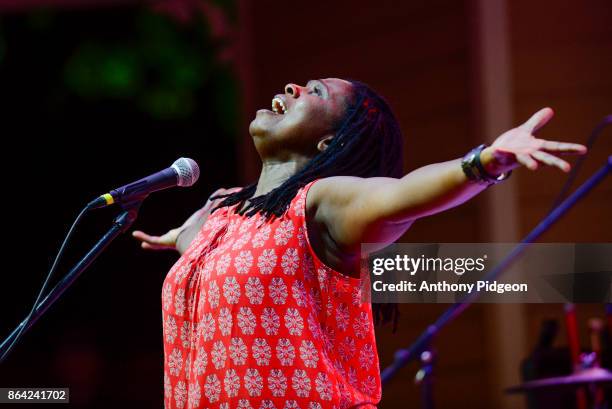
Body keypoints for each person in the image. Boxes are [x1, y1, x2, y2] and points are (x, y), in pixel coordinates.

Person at [133, 78, 586, 409]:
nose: (292, 87)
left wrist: (484, 163)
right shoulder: (225, 211)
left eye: (315, 92)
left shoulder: (322, 202)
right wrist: (179, 237)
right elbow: (202, 242)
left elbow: (404, 194)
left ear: (331, 140)